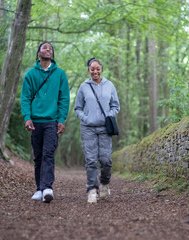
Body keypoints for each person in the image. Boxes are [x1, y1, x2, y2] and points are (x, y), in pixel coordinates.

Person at [20, 42, 70, 203]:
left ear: (52, 54)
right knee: (38, 156)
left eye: (50, 48)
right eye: (44, 48)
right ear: (38, 53)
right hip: (35, 121)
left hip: (52, 121)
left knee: (48, 153)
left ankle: (47, 188)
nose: (48, 49)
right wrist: (27, 117)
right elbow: (25, 98)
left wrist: (61, 119)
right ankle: (39, 189)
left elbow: (64, 99)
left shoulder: (60, 74)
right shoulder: (30, 75)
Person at [74, 58, 120, 203]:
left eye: (97, 69)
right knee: (91, 160)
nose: (95, 71)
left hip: (105, 128)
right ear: (89, 70)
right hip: (88, 128)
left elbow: (116, 106)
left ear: (102, 69)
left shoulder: (109, 85)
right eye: (92, 69)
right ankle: (92, 189)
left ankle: (105, 183)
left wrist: (109, 115)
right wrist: (85, 118)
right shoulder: (84, 87)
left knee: (106, 159)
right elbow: (77, 108)